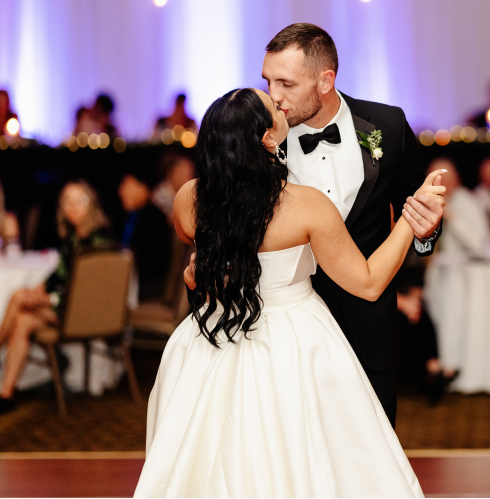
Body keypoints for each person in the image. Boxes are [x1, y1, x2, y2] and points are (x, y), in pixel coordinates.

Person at [135, 87, 439, 496]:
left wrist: (201, 274)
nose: (280, 104)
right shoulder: (306, 206)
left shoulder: (188, 199)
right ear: (267, 138)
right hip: (295, 342)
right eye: (273, 108)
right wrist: (410, 220)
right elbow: (367, 283)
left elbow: (209, 256)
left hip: (210, 339)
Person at [0, 181, 114, 414]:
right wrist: (39, 292)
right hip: (69, 310)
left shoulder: (97, 244)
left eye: (79, 201)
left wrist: (44, 300)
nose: (73, 207)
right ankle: (6, 393)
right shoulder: (74, 239)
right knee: (22, 319)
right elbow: (56, 277)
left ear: (92, 205)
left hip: (89, 315)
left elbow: (87, 296)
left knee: (20, 297)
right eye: (67, 201)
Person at [395, 252, 458, 404]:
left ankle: (432, 367)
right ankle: (432, 368)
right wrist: (403, 304)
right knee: (414, 322)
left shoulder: (412, 251)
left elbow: (418, 282)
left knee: (423, 317)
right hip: (386, 301)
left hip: (406, 299)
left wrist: (414, 302)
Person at [118, 169, 173, 301]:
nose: (121, 191)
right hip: (134, 281)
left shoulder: (154, 218)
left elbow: (154, 261)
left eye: (127, 186)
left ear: (143, 188)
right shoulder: (130, 216)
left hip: (148, 287)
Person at [428, 158, 490, 255]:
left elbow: (480, 245)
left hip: (463, 267)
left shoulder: (466, 202)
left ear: (455, 179)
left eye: (443, 180)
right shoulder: (431, 202)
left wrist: (451, 217)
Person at [152, 153, 195, 221]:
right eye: (182, 173)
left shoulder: (192, 192)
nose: (187, 177)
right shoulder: (159, 196)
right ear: (170, 174)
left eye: (189, 172)